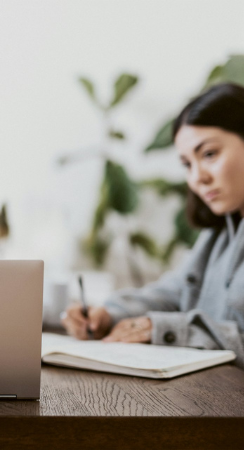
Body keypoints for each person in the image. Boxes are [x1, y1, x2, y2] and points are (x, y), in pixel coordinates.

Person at [61, 83, 244, 368]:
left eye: (209, 154)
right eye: (187, 164)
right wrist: (109, 313)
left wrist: (164, 329)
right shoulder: (221, 232)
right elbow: (175, 292)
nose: (197, 178)